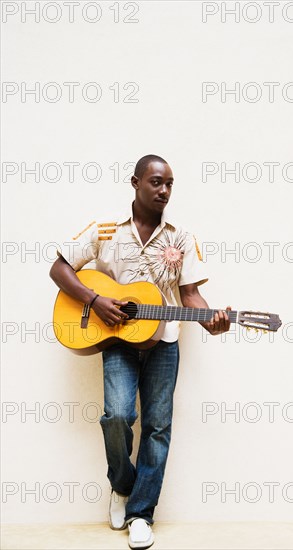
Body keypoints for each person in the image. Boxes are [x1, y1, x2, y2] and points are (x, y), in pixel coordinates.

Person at [50, 154, 231, 549]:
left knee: (158, 427)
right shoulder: (104, 229)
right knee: (117, 416)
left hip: (164, 343)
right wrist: (95, 299)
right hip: (116, 338)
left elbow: (190, 295)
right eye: (156, 182)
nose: (164, 190)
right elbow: (59, 268)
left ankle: (140, 513)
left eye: (169, 184)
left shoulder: (181, 236)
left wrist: (211, 321)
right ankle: (122, 485)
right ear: (135, 183)